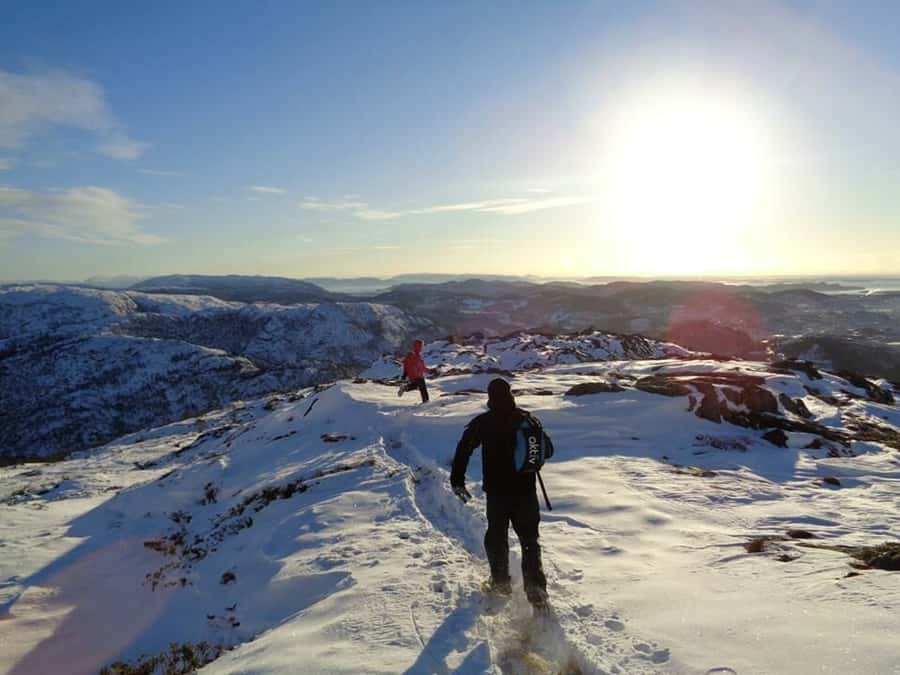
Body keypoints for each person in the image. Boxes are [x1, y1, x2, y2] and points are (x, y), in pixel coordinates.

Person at [450, 378, 550, 610]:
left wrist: (457, 479)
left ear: (490, 397)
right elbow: (549, 449)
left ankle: (501, 582)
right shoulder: (527, 419)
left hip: (497, 492)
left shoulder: (483, 422)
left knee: (497, 535)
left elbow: (463, 449)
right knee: (530, 540)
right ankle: (536, 589)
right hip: (526, 491)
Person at [397, 339, 430, 403]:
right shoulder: (414, 355)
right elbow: (406, 364)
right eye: (421, 346)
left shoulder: (417, 355)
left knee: (417, 386)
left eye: (422, 346)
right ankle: (426, 401)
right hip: (416, 375)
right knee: (423, 388)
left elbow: (422, 367)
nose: (422, 347)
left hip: (416, 375)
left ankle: (405, 388)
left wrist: (429, 371)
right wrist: (405, 374)